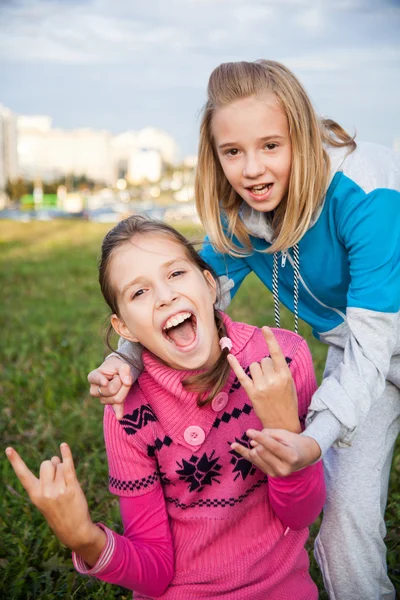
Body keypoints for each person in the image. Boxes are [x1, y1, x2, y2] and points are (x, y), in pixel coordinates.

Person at [89, 61, 400, 599]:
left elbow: (379, 340)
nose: (252, 169)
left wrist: (313, 438)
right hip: (359, 357)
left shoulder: (366, 190)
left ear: (301, 134)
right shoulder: (242, 221)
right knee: (343, 519)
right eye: (233, 152)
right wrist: (125, 358)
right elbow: (183, 299)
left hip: (379, 340)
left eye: (271, 146)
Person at [6, 216, 325, 600]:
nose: (164, 296)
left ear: (209, 285)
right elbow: (156, 572)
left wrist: (283, 428)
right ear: (124, 328)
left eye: (175, 273)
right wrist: (84, 538)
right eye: (139, 293)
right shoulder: (127, 411)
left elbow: (301, 515)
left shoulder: (283, 361)